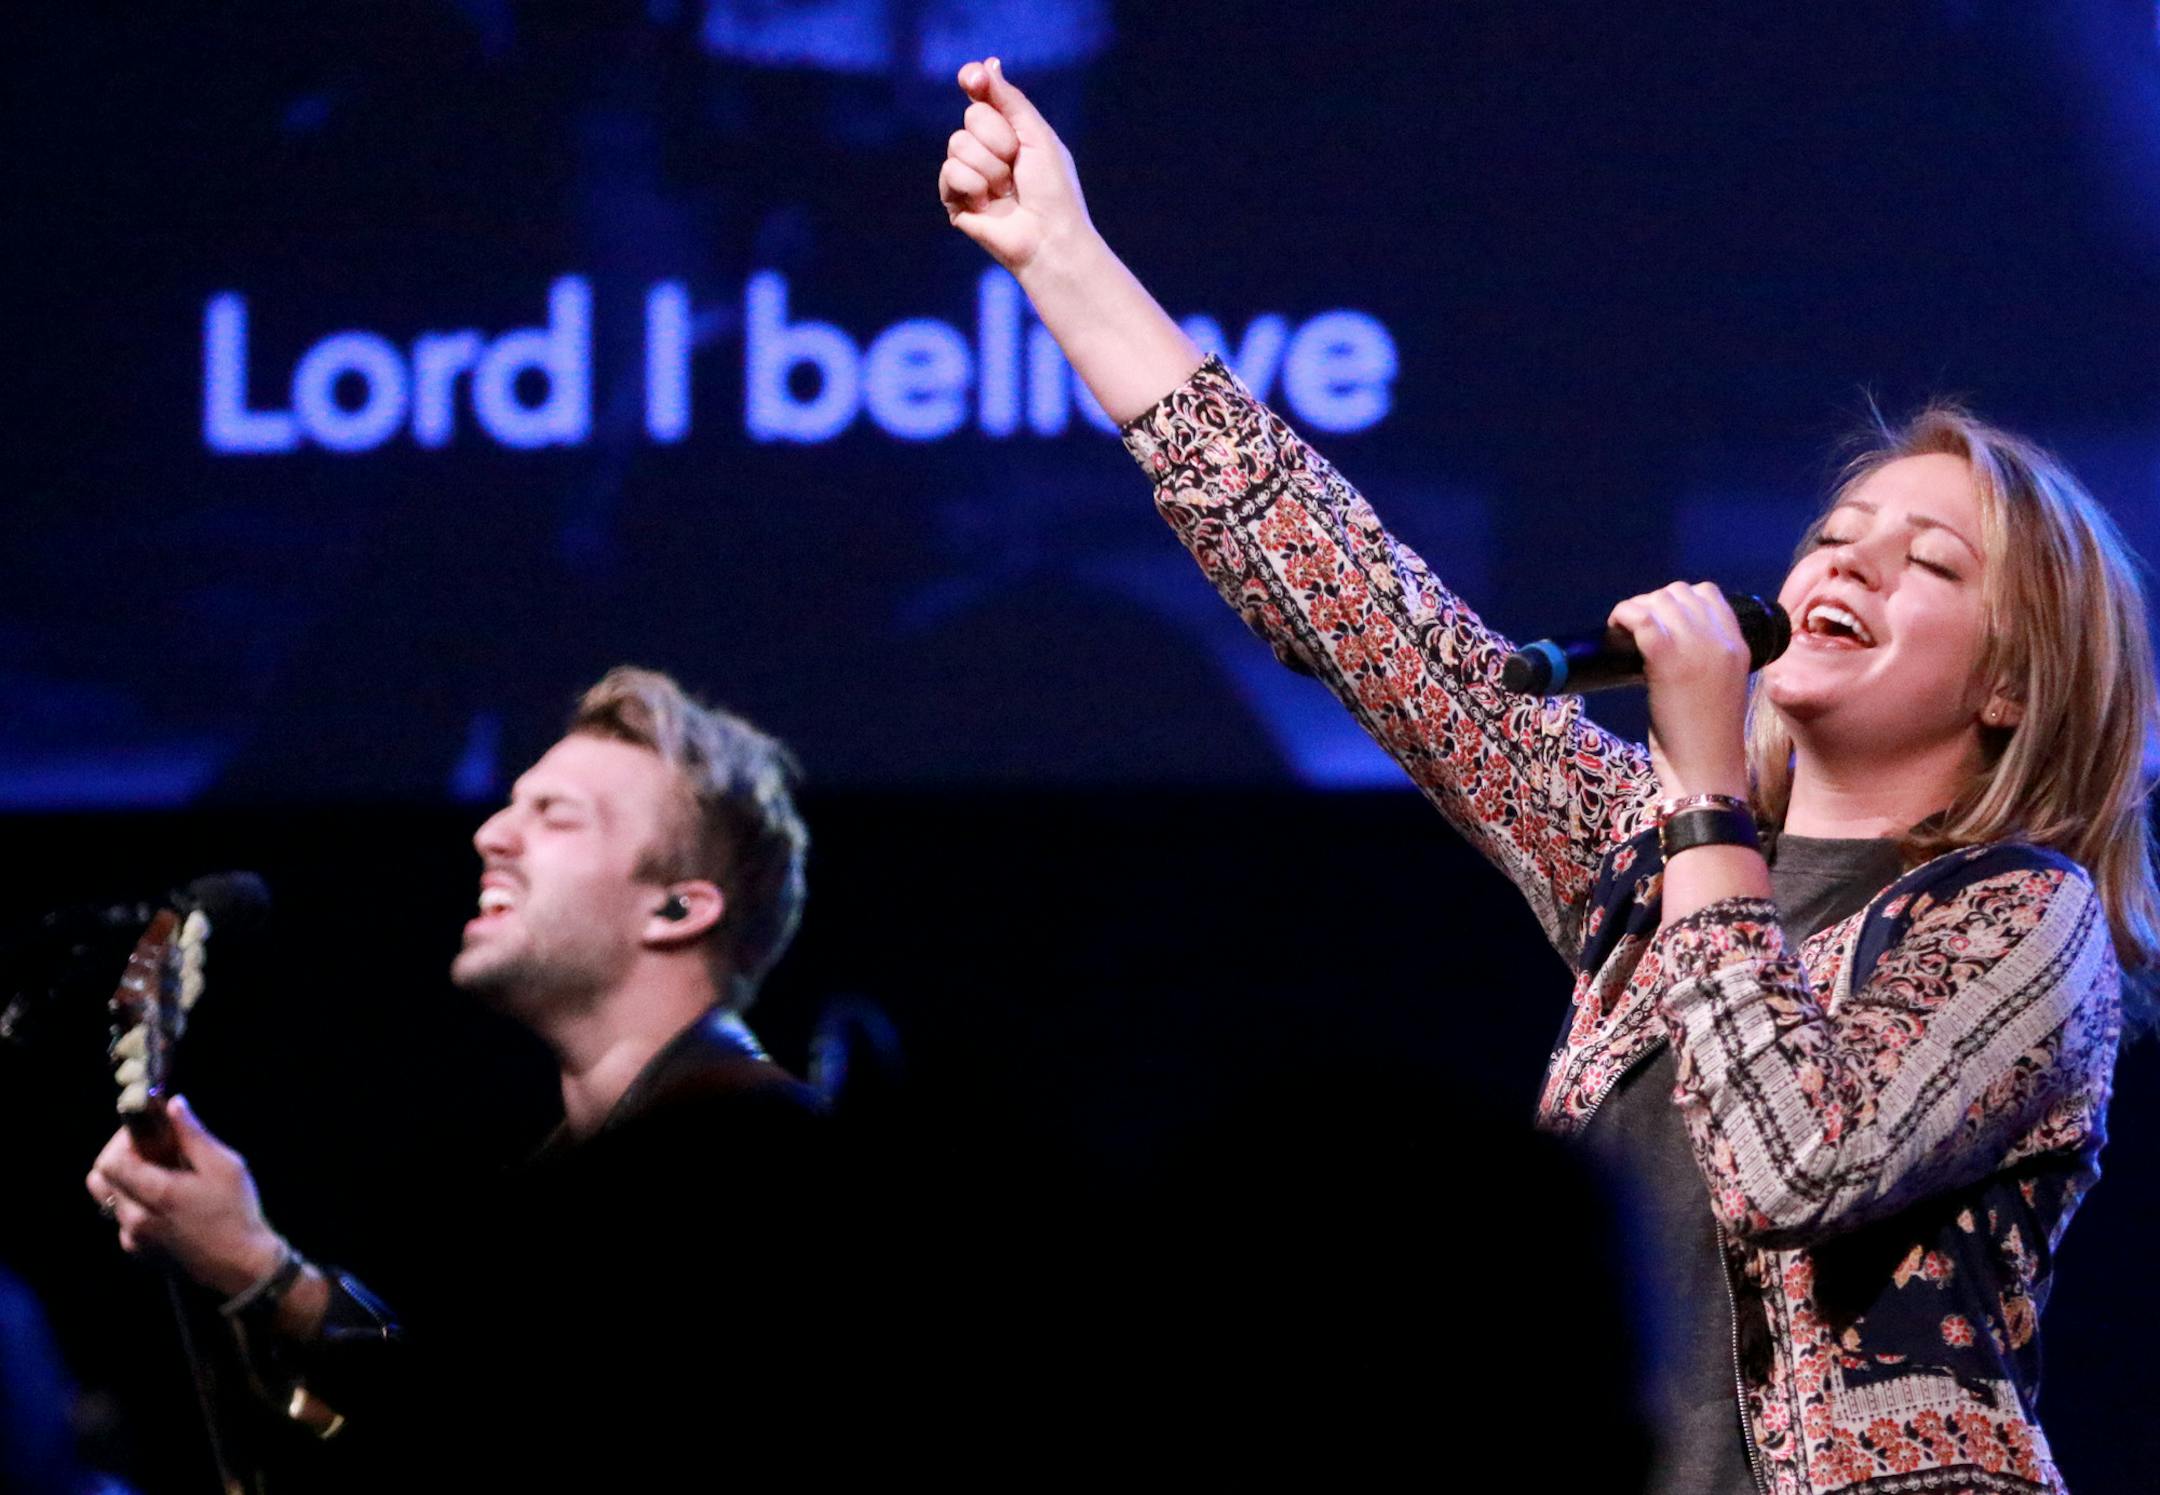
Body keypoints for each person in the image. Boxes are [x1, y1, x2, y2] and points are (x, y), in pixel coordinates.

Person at [939, 57, 2156, 1495]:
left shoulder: (2027, 919)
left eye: (1932, 561)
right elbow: (1352, 601)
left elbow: (1794, 1165)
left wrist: (1704, 784)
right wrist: (1063, 258)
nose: (1850, 558)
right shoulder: (1638, 854)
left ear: (2015, 683)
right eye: (1838, 529)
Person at [83, 666, 826, 1482]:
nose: (491, 834)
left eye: (556, 817)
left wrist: (264, 1273)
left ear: (678, 907)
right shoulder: (598, 1171)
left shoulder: (764, 1154)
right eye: (513, 803)